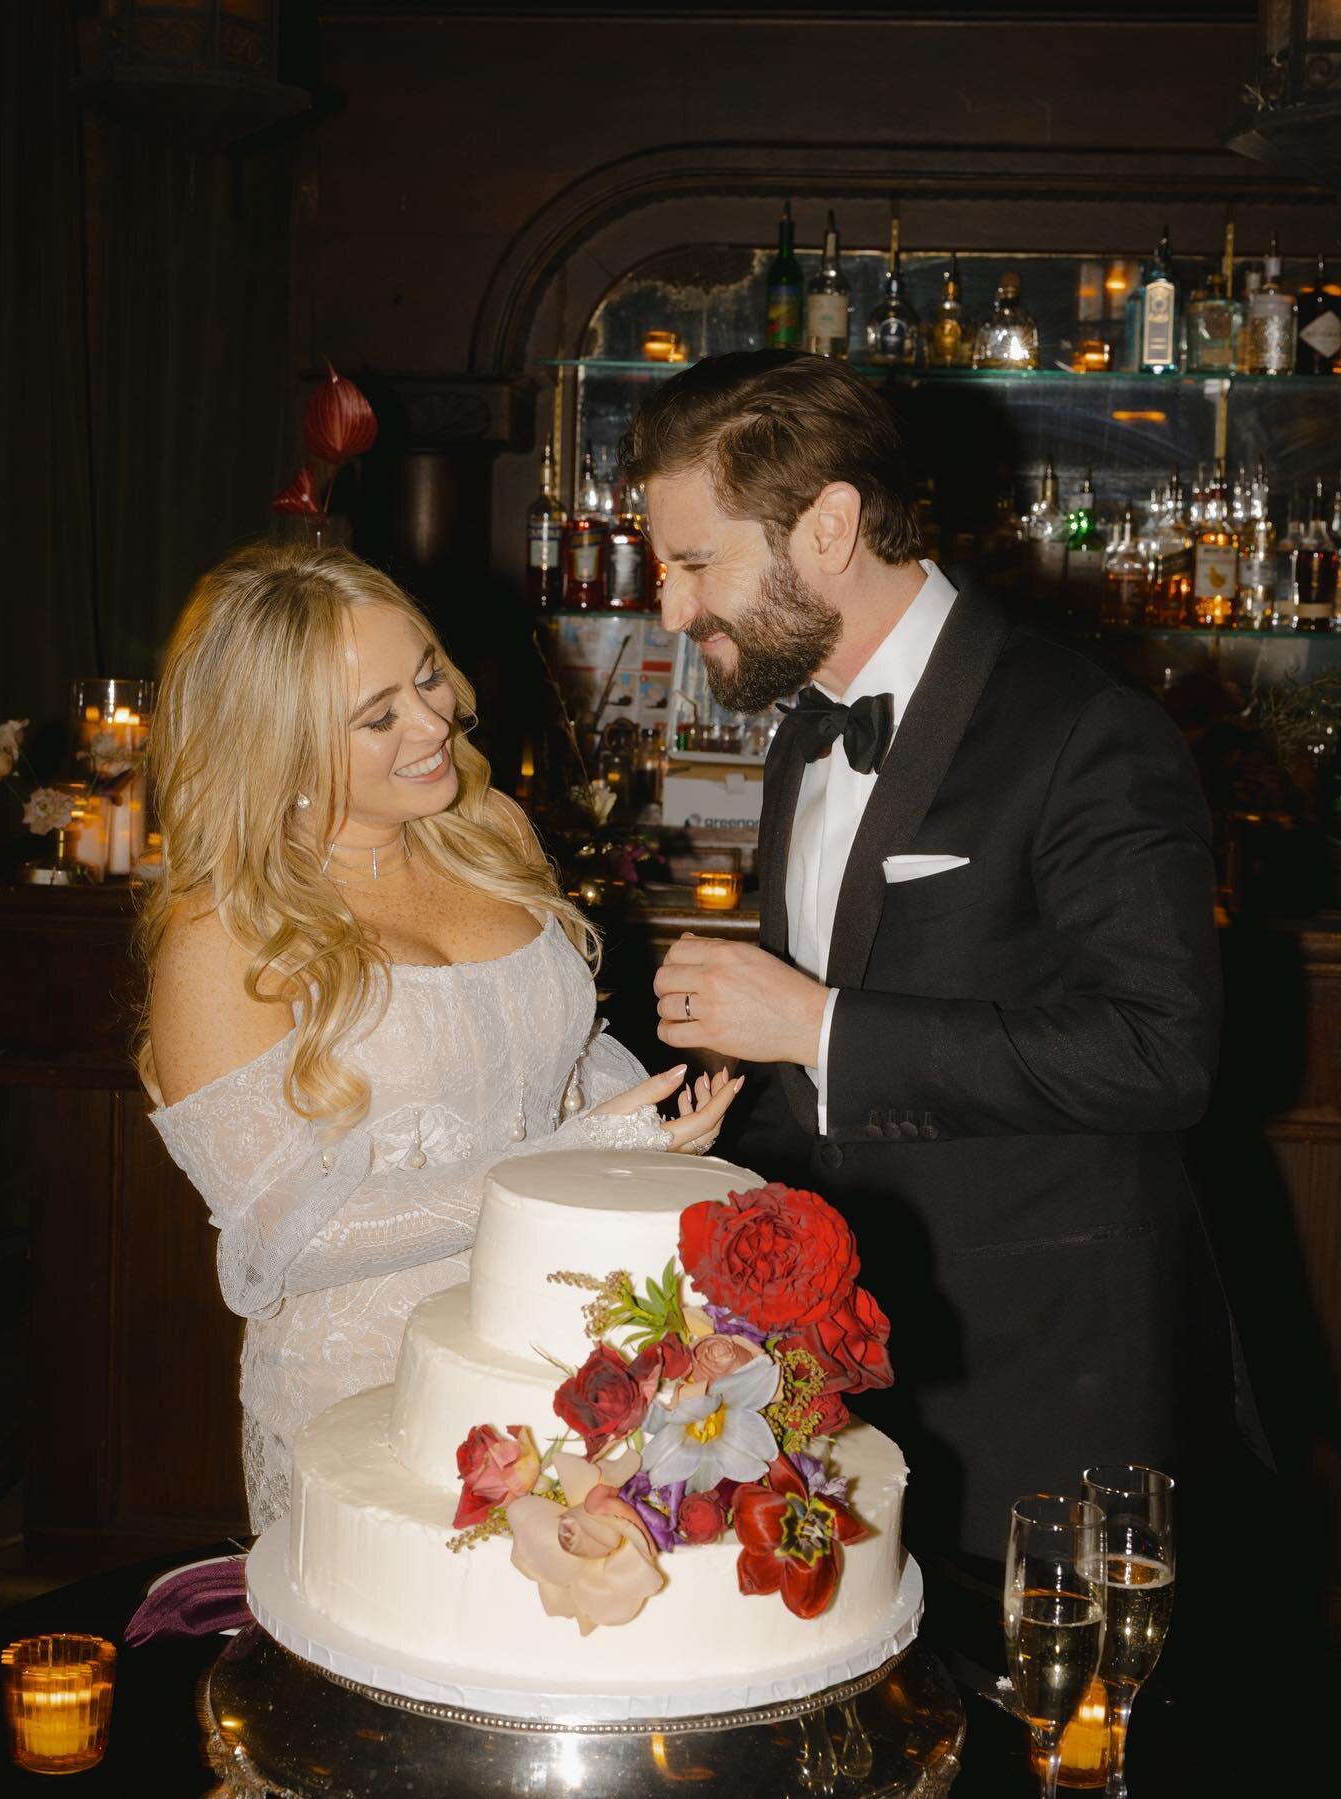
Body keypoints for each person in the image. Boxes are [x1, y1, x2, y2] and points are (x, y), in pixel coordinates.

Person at [624, 351, 1253, 1632]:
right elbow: (818, 1082)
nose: (671, 611)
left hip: (1048, 1380)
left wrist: (814, 1023)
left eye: (695, 564)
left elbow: (1162, 1052)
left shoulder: (1085, 727)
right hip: (843, 1369)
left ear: (832, 525)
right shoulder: (806, 723)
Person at [138, 542, 741, 1532]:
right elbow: (287, 1236)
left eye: (427, 675)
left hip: (568, 1347)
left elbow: (548, 1059)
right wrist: (576, 1157)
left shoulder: (487, 825)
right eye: (377, 715)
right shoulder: (222, 934)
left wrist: (642, 1132)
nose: (434, 721)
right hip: (377, 1404)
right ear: (272, 744)